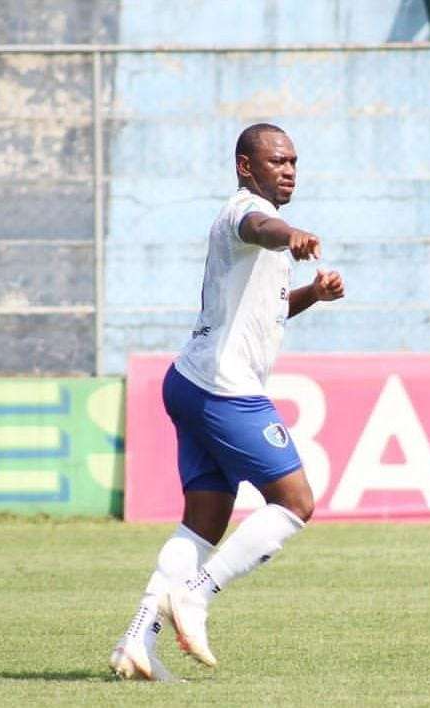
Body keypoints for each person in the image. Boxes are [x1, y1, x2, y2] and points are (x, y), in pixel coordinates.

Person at [109, 123, 346, 681]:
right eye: (277, 161)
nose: (288, 170)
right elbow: (260, 228)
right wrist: (288, 233)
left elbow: (268, 310)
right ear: (246, 166)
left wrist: (314, 292)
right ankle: (197, 594)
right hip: (223, 389)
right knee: (294, 502)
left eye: (293, 161)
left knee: (202, 522)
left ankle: (137, 641)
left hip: (190, 380)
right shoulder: (244, 213)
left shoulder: (261, 230)